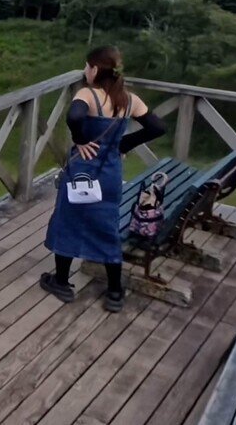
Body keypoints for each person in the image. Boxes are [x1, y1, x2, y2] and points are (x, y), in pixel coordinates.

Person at [40, 46, 166, 312]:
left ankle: (61, 281)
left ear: (95, 69)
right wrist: (123, 144)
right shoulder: (130, 100)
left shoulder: (88, 94)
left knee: (68, 221)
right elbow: (157, 127)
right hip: (109, 173)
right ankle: (115, 293)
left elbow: (74, 116)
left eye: (87, 66)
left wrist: (81, 139)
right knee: (107, 227)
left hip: (83, 172)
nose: (86, 71)